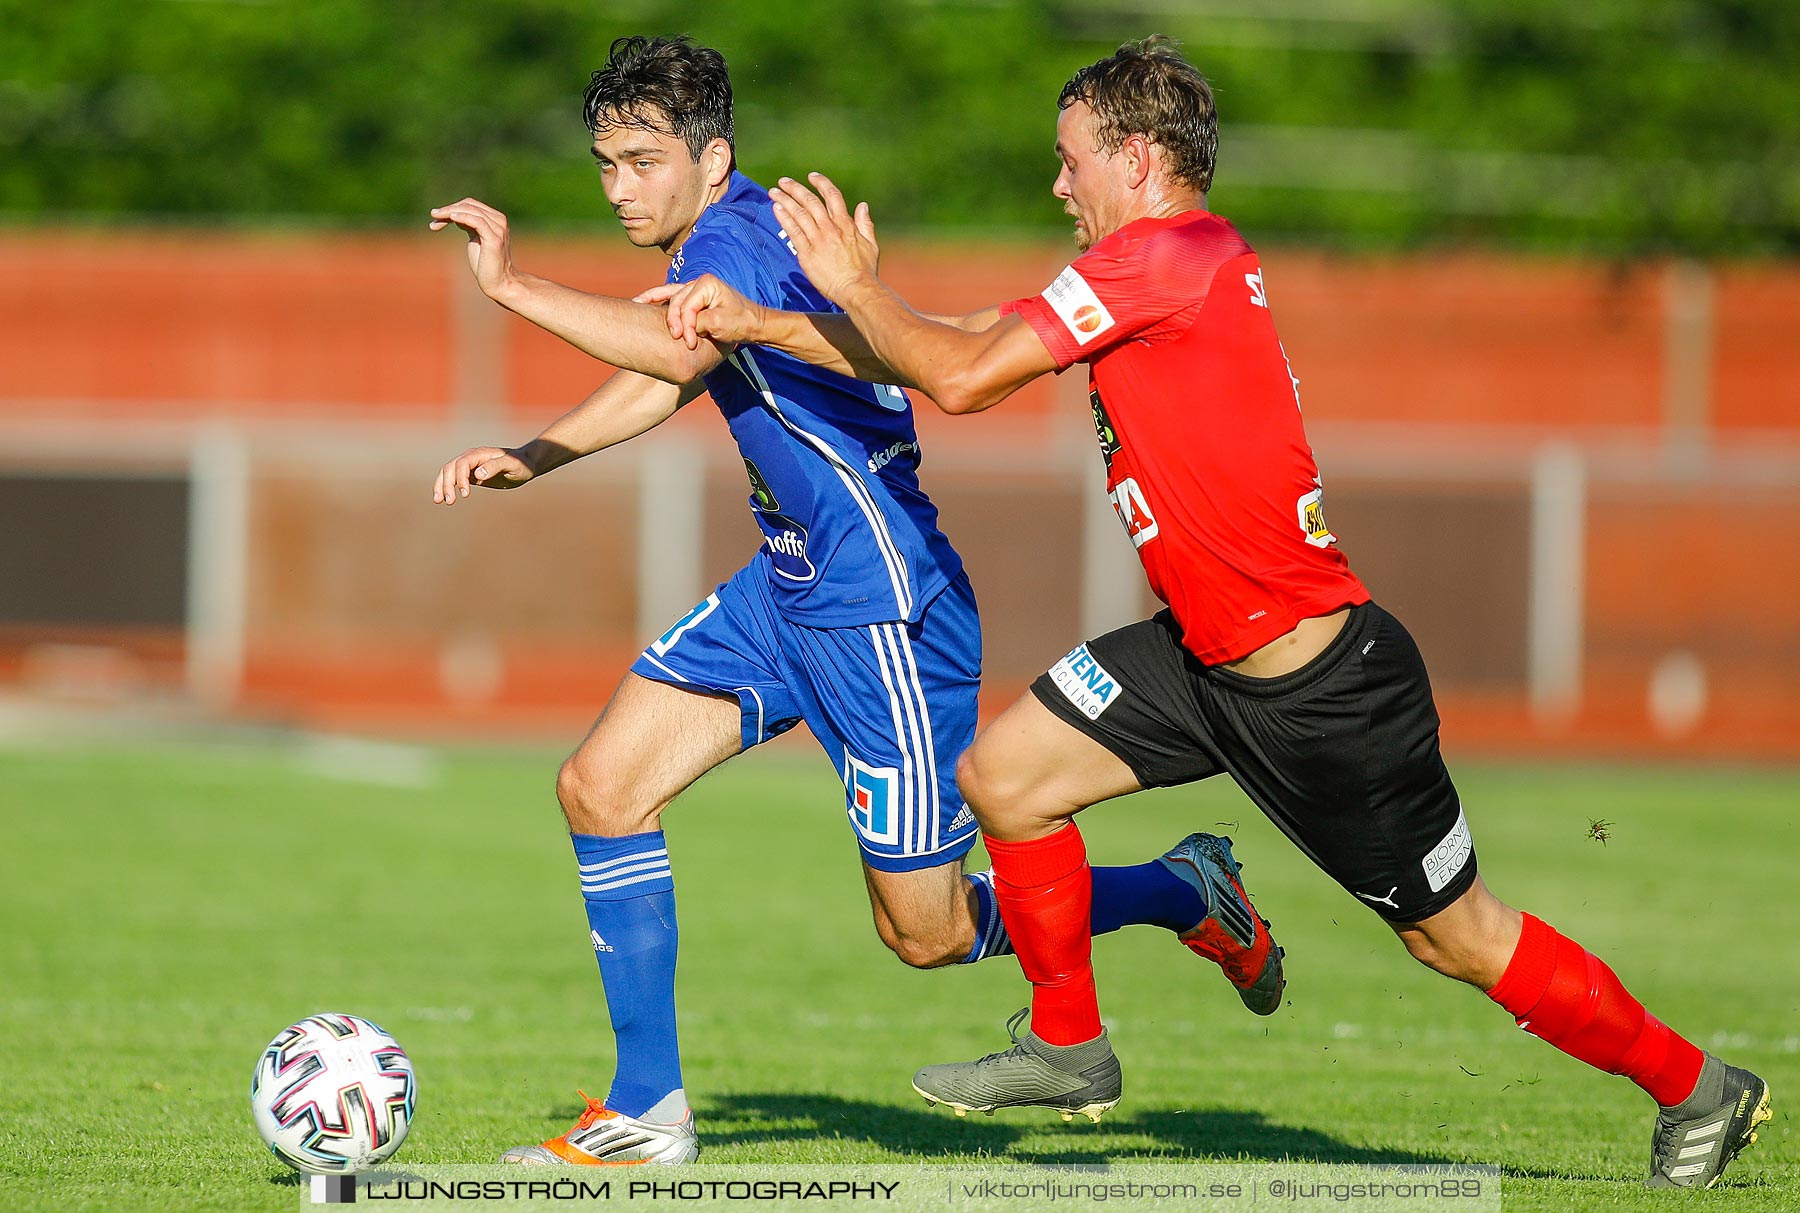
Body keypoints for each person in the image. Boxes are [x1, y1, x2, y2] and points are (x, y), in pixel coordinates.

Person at [644, 34, 1771, 1190]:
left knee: (1458, 936)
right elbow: (967, 341)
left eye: (1071, 158)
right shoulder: (1151, 267)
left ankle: (1698, 1085)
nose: (1058, 183)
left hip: (1321, 689)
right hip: (1198, 661)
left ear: (1136, 159)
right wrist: (764, 321)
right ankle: (1070, 1047)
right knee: (1008, 779)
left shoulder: (1166, 258)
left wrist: (853, 289)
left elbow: (963, 380)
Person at [426, 35, 1284, 1166]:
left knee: (924, 936)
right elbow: (667, 369)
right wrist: (538, 453)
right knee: (599, 786)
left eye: (642, 161)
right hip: (787, 589)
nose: (620, 186)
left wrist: (510, 285)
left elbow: (672, 355)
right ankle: (648, 1108)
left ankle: (1179, 889)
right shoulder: (731, 239)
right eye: (605, 164)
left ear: (712, 156)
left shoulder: (735, 235)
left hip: (880, 604)